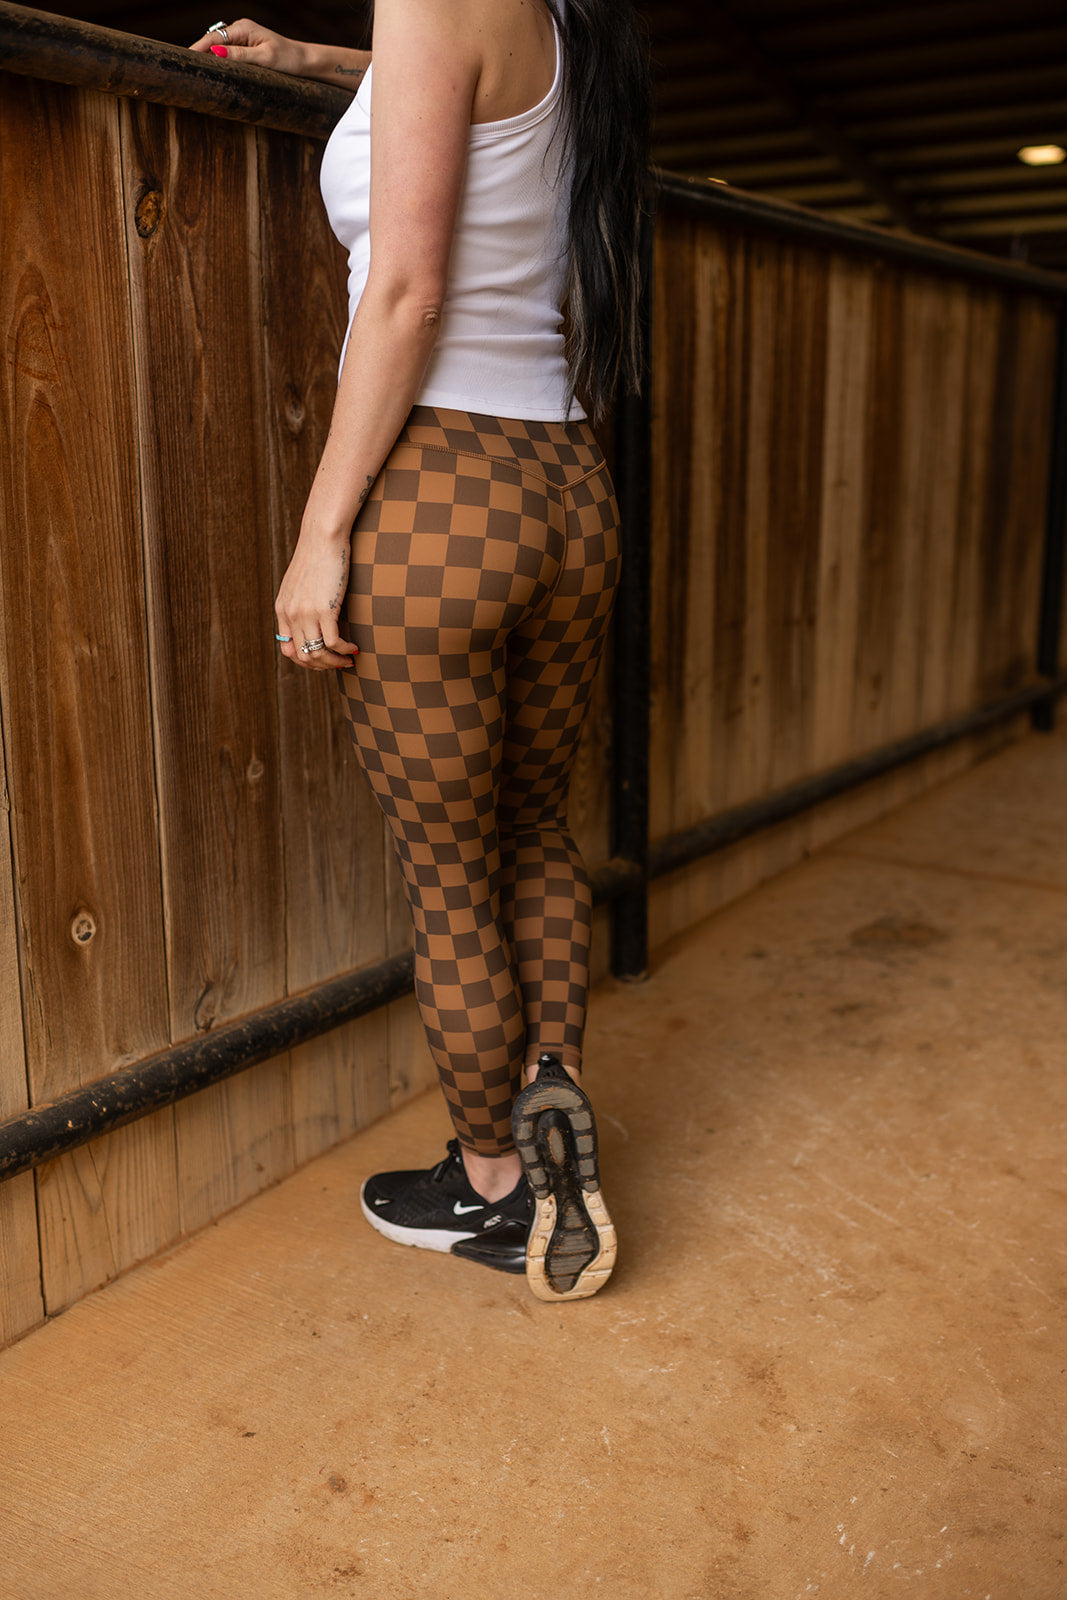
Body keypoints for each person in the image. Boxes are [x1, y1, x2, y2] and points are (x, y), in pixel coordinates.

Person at [190, 0, 649, 1301]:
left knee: (449, 878)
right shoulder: (568, 22)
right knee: (535, 829)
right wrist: (312, 60)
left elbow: (405, 293)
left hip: (446, 491)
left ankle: (494, 1187)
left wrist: (322, 530)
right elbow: (465, 88)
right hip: (569, 487)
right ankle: (551, 1099)